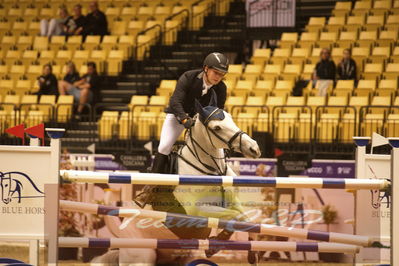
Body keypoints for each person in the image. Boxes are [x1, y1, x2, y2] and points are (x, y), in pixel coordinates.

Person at [152, 52, 229, 174]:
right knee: (164, 146)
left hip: (200, 121)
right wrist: (184, 119)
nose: (218, 77)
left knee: (216, 150)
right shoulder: (188, 77)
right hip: (178, 116)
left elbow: (217, 111)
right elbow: (175, 101)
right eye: (216, 73)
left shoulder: (221, 88)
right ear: (206, 69)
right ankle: (153, 184)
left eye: (222, 74)